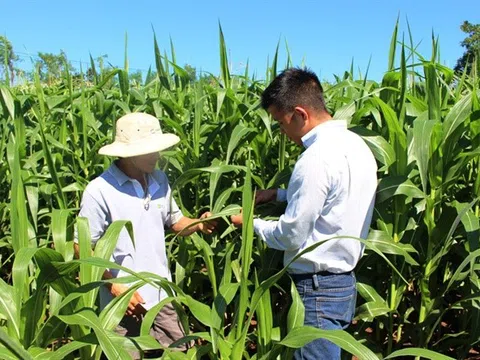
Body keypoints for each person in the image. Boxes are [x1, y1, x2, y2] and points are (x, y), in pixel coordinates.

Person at [230, 68, 377, 359]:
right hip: (343, 284)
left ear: (299, 114)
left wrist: (250, 224)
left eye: (281, 123)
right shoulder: (357, 145)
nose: (282, 133)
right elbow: (337, 197)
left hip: (318, 289)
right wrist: (280, 195)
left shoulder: (315, 159)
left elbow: (291, 235)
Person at [75, 112, 215, 359]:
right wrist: (113, 285)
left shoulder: (159, 179)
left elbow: (175, 222)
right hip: (122, 303)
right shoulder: (99, 191)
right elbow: (83, 247)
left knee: (178, 353)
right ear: (128, 153)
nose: (157, 156)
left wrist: (200, 225)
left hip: (162, 296)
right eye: (150, 151)